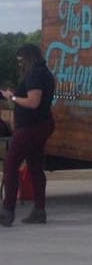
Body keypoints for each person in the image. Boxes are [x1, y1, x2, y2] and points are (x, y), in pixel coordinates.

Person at [1, 44, 56, 226]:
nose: (19, 65)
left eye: (20, 61)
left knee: (10, 164)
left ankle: (7, 211)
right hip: (41, 124)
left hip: (31, 126)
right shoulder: (44, 73)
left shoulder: (35, 74)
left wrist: (13, 98)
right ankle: (39, 211)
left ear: (27, 58)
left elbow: (33, 102)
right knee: (34, 166)